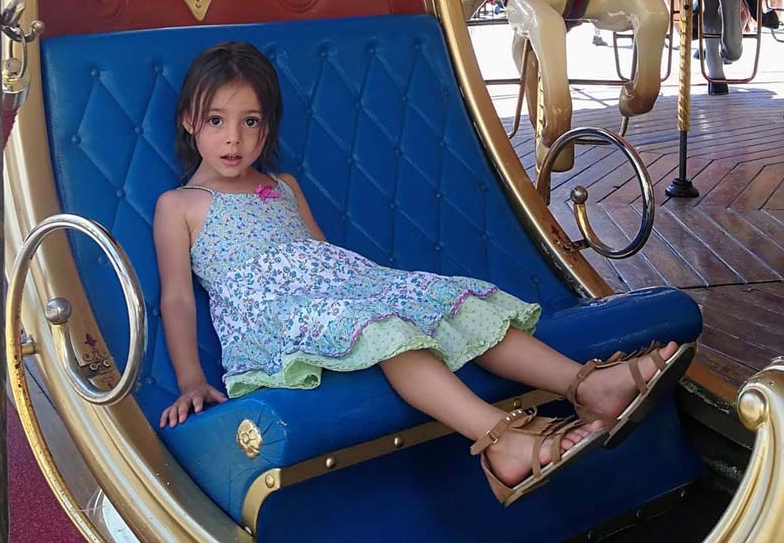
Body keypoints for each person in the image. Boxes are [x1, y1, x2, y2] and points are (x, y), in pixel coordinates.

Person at [153, 42, 693, 505]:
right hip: (274, 319)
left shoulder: (283, 185)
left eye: (251, 122)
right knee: (390, 329)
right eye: (216, 121)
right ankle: (499, 440)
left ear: (267, 125)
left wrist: (379, 291)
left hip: (338, 291)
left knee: (449, 302)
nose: (234, 139)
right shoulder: (180, 204)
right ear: (188, 122)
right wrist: (191, 380)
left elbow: (320, 255)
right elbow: (177, 297)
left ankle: (588, 384)